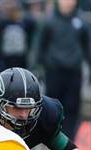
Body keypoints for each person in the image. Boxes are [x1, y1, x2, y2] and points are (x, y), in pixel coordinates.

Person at [37, 0, 89, 139]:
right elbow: (39, 46)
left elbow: (87, 46)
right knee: (51, 107)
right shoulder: (49, 21)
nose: (68, 3)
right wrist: (36, 68)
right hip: (54, 71)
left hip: (74, 72)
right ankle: (50, 138)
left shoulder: (81, 21)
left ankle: (69, 139)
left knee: (72, 107)